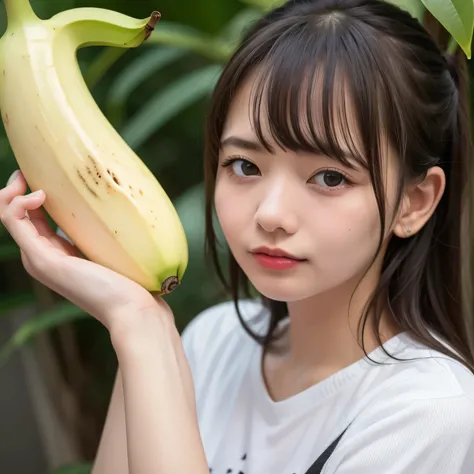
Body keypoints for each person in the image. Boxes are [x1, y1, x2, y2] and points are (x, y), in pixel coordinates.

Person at [1, 0, 474, 472]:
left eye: (329, 177)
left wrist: (141, 330)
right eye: (245, 166)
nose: (271, 214)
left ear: (415, 201)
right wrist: (138, 322)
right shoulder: (210, 342)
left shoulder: (428, 412)